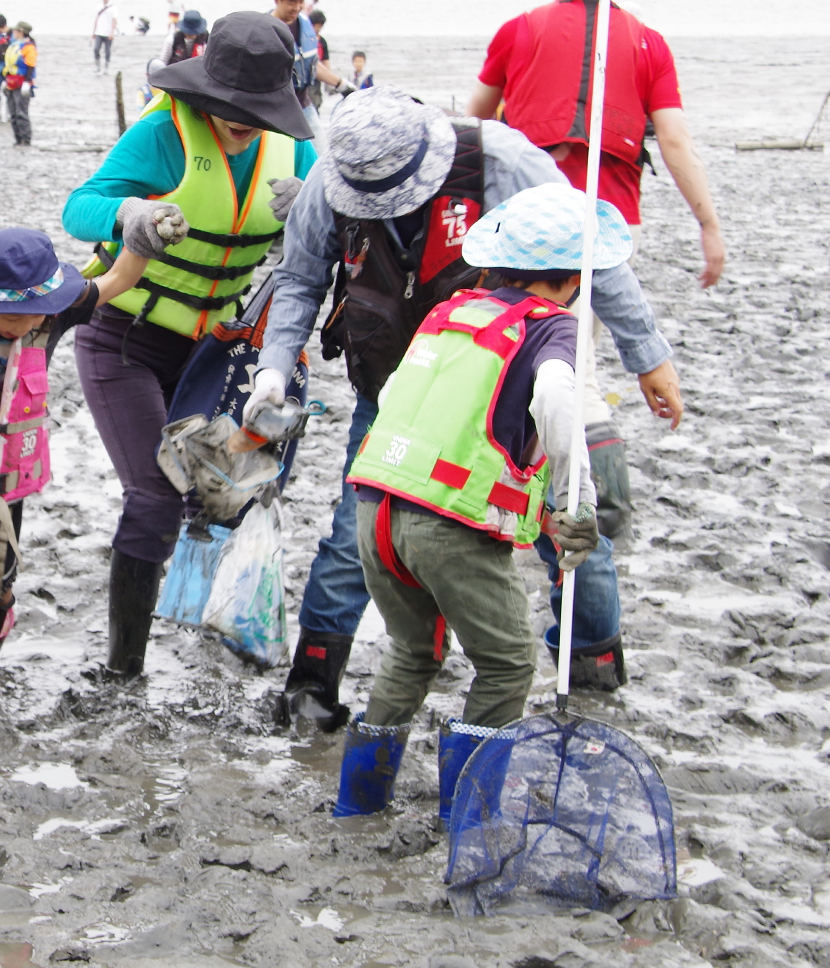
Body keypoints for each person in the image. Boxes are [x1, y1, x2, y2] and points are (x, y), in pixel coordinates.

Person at [250, 86, 683, 729]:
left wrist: (646, 354)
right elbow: (299, 277)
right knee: (356, 524)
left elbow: (585, 244)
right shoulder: (335, 176)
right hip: (397, 384)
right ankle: (313, 678)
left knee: (561, 516)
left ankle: (591, 659)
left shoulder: (502, 161)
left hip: (505, 384)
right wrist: (273, 372)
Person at [331, 182, 617, 820]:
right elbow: (558, 404)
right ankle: (468, 813)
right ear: (574, 279)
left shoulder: (452, 311)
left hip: (376, 503)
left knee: (412, 651)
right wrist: (580, 503)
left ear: (492, 264)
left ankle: (358, 804)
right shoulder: (554, 329)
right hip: (448, 524)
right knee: (508, 663)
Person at [61, 12, 318, 676]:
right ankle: (123, 668)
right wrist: (131, 214)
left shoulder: (294, 149)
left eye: (260, 109)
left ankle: (208, 626)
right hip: (126, 337)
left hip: (215, 354)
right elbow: (79, 207)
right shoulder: (162, 133)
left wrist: (319, 205)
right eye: (233, 106)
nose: (244, 119)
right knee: (154, 493)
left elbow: (337, 233)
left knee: (223, 493)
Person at [465, 0, 725, 550]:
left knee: (524, 362)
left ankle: (540, 499)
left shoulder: (517, 29)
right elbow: (675, 142)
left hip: (518, 241)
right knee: (570, 361)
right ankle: (586, 505)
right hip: (598, 247)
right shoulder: (647, 42)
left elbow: (473, 126)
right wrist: (709, 225)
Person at [0, 229, 165, 706]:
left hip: (9, 481)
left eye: (28, 314)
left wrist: (146, 230)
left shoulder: (54, 317)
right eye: (4, 314)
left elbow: (121, 276)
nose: (18, 324)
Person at [270, 0, 339, 142]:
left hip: (305, 105)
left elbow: (312, 64)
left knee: (320, 158)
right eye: (292, 3)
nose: (297, 8)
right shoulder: (266, 30)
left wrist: (341, 84)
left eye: (300, 2)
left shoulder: (304, 24)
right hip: (276, 112)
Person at [2, 21, 36, 147]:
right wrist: (5, 81)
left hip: (22, 83)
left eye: (15, 31)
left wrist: (27, 82)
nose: (13, 33)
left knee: (22, 112)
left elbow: (31, 66)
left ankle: (25, 140)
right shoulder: (14, 45)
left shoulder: (28, 47)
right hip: (11, 82)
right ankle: (18, 139)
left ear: (21, 32)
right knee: (13, 113)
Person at [91, 0, 119, 75]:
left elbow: (114, 20)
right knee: (96, 49)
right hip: (99, 32)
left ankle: (106, 68)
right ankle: (97, 67)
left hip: (108, 33)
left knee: (107, 51)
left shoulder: (113, 8)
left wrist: (112, 32)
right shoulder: (98, 6)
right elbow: (96, 19)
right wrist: (94, 32)